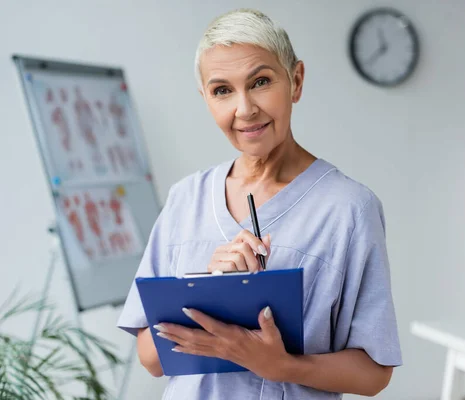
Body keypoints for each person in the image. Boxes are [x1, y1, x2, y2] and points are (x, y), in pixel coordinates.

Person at [117, 8, 402, 399]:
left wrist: (281, 366)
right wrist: (209, 289)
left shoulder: (349, 209)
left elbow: (374, 374)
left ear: (296, 81)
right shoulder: (186, 199)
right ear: (206, 99)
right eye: (222, 90)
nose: (245, 108)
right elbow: (150, 358)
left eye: (261, 82)